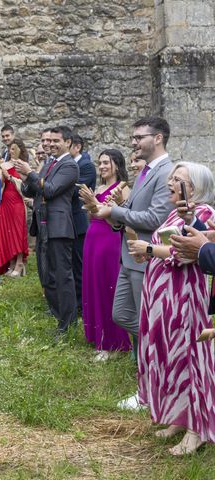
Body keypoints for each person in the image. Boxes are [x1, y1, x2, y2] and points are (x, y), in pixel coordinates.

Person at [127, 162, 215, 455]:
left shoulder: (205, 214)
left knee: (190, 358)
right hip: (162, 296)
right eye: (171, 178)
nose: (170, 183)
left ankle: (197, 429)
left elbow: (185, 253)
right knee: (171, 355)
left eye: (178, 180)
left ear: (195, 188)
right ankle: (179, 416)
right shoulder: (174, 212)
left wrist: (149, 250)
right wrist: (147, 255)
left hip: (186, 297)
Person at [94, 117, 174, 409]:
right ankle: (159, 362)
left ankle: (151, 389)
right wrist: (114, 214)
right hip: (128, 258)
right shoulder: (146, 172)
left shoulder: (167, 172)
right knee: (122, 315)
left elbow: (155, 219)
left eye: (139, 137)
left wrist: (113, 210)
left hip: (148, 259)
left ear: (158, 138)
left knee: (148, 325)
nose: (134, 142)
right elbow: (130, 210)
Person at [14, 126, 79, 335]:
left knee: (62, 276)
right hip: (43, 225)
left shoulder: (69, 165)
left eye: (55, 140)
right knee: (47, 275)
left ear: (67, 143)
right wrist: (25, 178)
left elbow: (50, 190)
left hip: (59, 227)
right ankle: (58, 315)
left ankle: (68, 324)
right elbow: (33, 189)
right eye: (47, 141)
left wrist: (32, 173)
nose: (49, 144)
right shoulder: (50, 163)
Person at [79, 150, 132, 360]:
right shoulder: (99, 187)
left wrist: (98, 206)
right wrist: (91, 205)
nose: (101, 167)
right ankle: (96, 334)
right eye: (99, 163)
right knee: (92, 284)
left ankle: (112, 342)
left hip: (108, 240)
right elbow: (93, 214)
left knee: (106, 286)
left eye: (106, 163)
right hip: (92, 238)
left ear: (116, 165)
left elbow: (121, 221)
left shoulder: (123, 188)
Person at [70, 134, 97, 312]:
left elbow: (75, 191)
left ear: (77, 146)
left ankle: (80, 303)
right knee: (71, 263)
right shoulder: (72, 164)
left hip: (79, 219)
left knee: (79, 264)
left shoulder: (86, 166)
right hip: (69, 220)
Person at [0, 138, 30, 277]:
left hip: (17, 201)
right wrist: (0, 174)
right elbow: (0, 185)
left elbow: (26, 186)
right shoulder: (4, 165)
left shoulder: (24, 166)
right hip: (5, 200)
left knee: (17, 231)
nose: (11, 151)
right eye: (10, 148)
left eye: (14, 148)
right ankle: (10, 263)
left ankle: (20, 263)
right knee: (6, 231)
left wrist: (9, 177)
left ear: (21, 150)